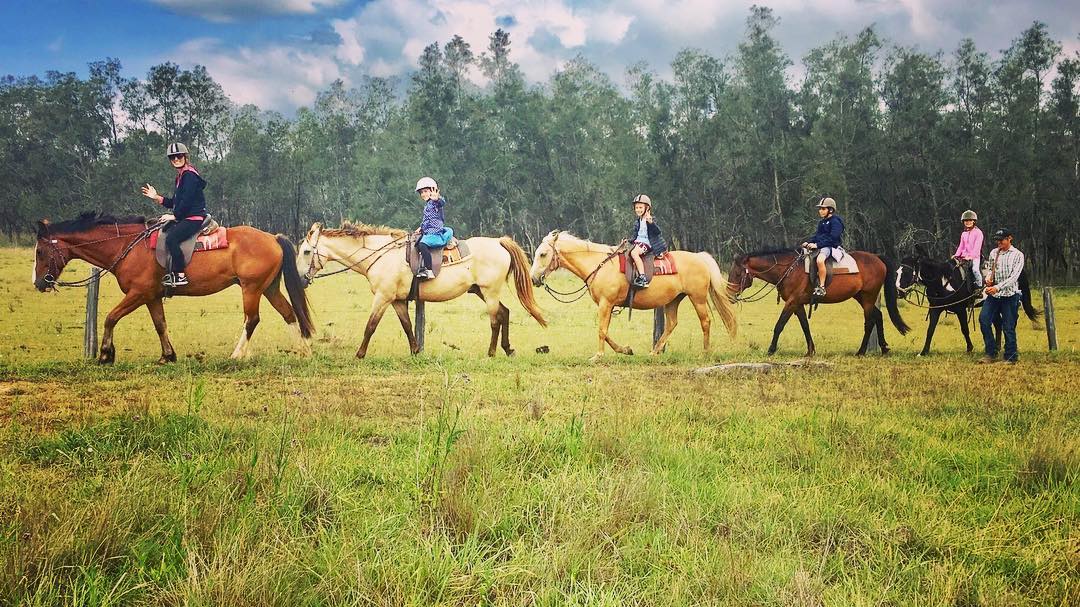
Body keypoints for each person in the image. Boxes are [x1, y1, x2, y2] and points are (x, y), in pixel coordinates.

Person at [141, 143, 207, 287]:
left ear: (185, 157)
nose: (176, 159)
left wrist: (174, 216)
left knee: (172, 239)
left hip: (193, 217)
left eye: (179, 156)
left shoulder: (189, 175)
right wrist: (156, 197)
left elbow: (187, 202)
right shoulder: (181, 177)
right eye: (172, 157)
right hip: (186, 216)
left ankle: (180, 275)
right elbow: (175, 202)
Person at [978, 229, 1025, 364]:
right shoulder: (994, 253)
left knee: (1008, 326)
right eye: (997, 240)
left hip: (1009, 295)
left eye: (1002, 240)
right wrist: (988, 279)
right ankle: (990, 352)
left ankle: (1011, 356)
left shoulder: (1018, 255)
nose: (999, 243)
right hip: (994, 295)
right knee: (984, 319)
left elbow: (1014, 277)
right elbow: (990, 269)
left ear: (1010, 238)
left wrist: (997, 287)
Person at [800, 196, 845, 297]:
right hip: (822, 246)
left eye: (823, 209)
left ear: (830, 210)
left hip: (831, 247)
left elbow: (833, 238)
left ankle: (822, 287)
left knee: (820, 260)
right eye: (820, 209)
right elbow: (817, 236)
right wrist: (808, 242)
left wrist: (817, 245)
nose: (820, 211)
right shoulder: (822, 222)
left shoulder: (835, 221)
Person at [413, 177, 453, 280]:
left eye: (426, 191)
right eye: (422, 192)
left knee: (422, 244)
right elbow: (427, 220)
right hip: (428, 232)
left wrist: (438, 199)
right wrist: (421, 228)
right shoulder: (427, 206)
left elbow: (441, 203)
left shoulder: (435, 203)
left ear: (433, 190)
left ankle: (429, 271)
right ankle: (419, 267)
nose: (423, 194)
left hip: (435, 234)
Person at [626, 194, 668, 288]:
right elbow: (635, 235)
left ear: (647, 208)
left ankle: (642, 277)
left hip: (647, 243)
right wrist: (628, 241)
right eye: (636, 208)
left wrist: (651, 223)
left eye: (640, 207)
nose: (638, 210)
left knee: (634, 253)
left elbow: (657, 232)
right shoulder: (638, 221)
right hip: (638, 242)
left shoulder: (651, 219)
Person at [953, 209, 984, 288]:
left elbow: (977, 247)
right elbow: (961, 246)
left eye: (970, 220)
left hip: (975, 257)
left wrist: (970, 257)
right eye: (966, 220)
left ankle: (979, 286)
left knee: (975, 270)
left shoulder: (978, 232)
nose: (968, 222)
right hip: (964, 256)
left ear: (974, 221)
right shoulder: (964, 234)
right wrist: (956, 255)